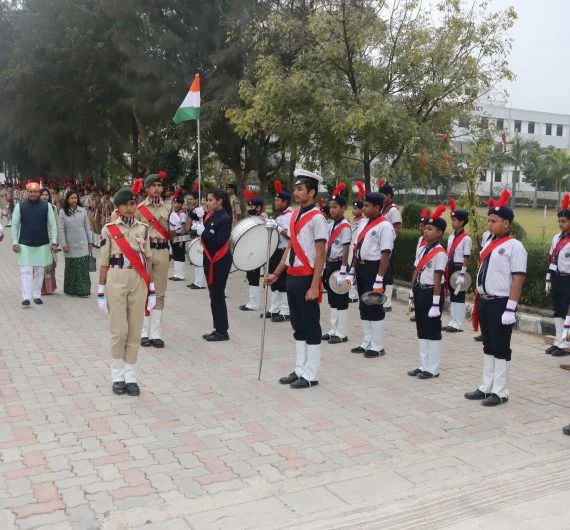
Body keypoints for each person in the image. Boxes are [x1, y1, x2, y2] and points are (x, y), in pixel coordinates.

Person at [265, 169, 328, 389]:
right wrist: (277, 273)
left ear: (312, 192)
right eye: (296, 189)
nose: (296, 193)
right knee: (297, 326)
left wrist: (315, 286)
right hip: (291, 276)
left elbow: (320, 254)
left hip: (307, 277)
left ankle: (311, 374)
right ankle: (300, 369)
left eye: (301, 189)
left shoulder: (318, 218)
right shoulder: (294, 215)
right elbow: (290, 248)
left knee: (311, 325)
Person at [465, 190, 527, 407]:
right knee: (488, 345)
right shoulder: (487, 240)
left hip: (501, 303)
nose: (489, 224)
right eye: (489, 220)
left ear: (506, 223)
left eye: (494, 221)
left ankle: (500, 391)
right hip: (484, 300)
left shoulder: (515, 246)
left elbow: (518, 279)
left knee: (501, 346)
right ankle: (486, 386)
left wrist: (511, 308)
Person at [98, 186, 154, 397]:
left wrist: (152, 288)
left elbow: (147, 259)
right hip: (116, 278)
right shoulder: (109, 229)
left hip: (138, 280)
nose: (129, 208)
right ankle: (117, 376)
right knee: (119, 331)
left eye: (132, 204)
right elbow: (104, 261)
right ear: (118, 208)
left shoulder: (143, 229)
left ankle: (130, 376)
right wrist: (101, 289)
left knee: (134, 330)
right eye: (124, 205)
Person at [348, 192, 394, 357]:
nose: (364, 208)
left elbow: (385, 253)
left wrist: (379, 279)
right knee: (364, 305)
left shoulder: (385, 226)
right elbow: (356, 248)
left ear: (377, 207)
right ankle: (367, 341)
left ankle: (377, 345)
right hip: (361, 267)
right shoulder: (363, 223)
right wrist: (352, 270)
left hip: (375, 269)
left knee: (374, 306)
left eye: (367, 206)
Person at [407, 205, 447, 379]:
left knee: (432, 330)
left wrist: (436, 304)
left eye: (430, 229)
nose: (426, 231)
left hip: (432, 293)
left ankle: (433, 368)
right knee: (421, 329)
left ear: (439, 233)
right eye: (426, 228)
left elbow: (438, 279)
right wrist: (412, 291)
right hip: (420, 291)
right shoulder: (423, 248)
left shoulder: (440, 253)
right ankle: (423, 365)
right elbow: (416, 271)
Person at [135, 171, 172, 348]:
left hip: (163, 250)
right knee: (144, 291)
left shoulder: (169, 208)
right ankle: (144, 332)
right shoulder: (139, 208)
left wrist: (176, 226)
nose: (157, 189)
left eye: (159, 185)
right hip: (145, 252)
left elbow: (173, 234)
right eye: (153, 186)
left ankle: (156, 333)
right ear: (147, 189)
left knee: (159, 292)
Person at [193, 190, 233, 341]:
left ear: (219, 201)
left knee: (218, 295)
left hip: (219, 260)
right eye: (207, 200)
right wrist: (195, 213)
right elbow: (195, 217)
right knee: (213, 295)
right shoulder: (211, 215)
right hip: (209, 259)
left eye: (210, 200)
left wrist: (204, 232)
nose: (208, 203)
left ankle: (222, 331)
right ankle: (218, 328)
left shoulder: (224, 218)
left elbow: (218, 241)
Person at [11, 182, 58, 306]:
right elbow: (15, 226)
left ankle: (36, 295)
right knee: (25, 271)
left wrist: (54, 241)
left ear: (39, 192)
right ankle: (26, 297)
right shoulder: (20, 206)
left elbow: (52, 225)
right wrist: (14, 242)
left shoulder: (47, 206)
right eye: (30, 192)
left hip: (42, 244)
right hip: (24, 244)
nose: (33, 194)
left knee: (39, 271)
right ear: (27, 192)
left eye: (35, 191)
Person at [321, 184, 352, 344]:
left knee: (341, 300)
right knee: (332, 299)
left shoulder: (345, 227)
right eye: (331, 207)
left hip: (340, 265)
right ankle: (333, 329)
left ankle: (342, 333)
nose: (332, 210)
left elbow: (346, 249)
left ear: (343, 208)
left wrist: (343, 271)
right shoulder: (331, 225)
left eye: (335, 207)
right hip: (330, 264)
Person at [261, 181, 293, 322]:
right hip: (276, 250)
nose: (275, 202)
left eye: (278, 200)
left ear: (285, 202)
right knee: (274, 280)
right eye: (275, 200)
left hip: (285, 250)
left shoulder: (290, 215)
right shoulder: (279, 215)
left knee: (283, 282)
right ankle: (274, 308)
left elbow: (290, 235)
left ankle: (286, 310)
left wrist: (278, 227)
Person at [545, 194, 570, 356]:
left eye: (564, 221)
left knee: (567, 311)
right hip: (556, 277)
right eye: (559, 221)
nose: (561, 224)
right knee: (557, 310)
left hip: (568, 278)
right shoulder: (556, 238)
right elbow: (551, 259)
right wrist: (548, 278)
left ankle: (566, 344)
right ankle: (558, 340)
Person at [444, 198, 472, 333]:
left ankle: (459, 324)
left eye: (455, 220)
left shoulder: (466, 238)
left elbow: (466, 257)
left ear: (461, 222)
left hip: (459, 268)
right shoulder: (451, 236)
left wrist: (462, 273)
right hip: (450, 266)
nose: (452, 222)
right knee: (452, 295)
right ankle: (452, 321)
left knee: (459, 296)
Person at [58, 189, 93, 297]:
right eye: (71, 198)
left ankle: (83, 290)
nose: (74, 200)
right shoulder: (62, 212)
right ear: (67, 200)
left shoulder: (82, 211)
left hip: (83, 244)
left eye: (75, 198)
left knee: (82, 269)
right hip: (69, 245)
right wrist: (64, 245)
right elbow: (61, 229)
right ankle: (70, 290)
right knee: (71, 268)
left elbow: (87, 227)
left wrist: (90, 242)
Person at [240, 195, 267, 312]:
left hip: (258, 250)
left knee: (254, 276)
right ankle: (252, 302)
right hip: (252, 249)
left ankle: (254, 303)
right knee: (251, 276)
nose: (249, 208)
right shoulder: (254, 217)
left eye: (252, 206)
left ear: (258, 207)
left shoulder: (262, 218)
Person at [378, 180, 401, 311]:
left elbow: (398, 229)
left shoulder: (393, 210)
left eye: (383, 195)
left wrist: (388, 235)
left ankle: (387, 302)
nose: (381, 197)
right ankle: (382, 299)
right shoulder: (383, 209)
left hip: (389, 244)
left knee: (387, 272)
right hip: (381, 244)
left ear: (389, 196)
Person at [186, 190, 207, 290]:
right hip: (195, 234)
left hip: (201, 235)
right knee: (195, 257)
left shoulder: (202, 208)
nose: (190, 201)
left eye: (191, 199)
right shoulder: (194, 209)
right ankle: (197, 281)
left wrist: (203, 214)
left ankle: (200, 283)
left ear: (197, 199)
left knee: (199, 258)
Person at [39, 188, 59, 295]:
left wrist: (56, 240)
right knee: (39, 263)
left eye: (46, 195)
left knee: (50, 263)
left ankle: (49, 288)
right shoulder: (35, 207)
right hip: (38, 239)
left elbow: (57, 224)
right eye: (42, 194)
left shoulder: (53, 207)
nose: (44, 196)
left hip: (50, 239)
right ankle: (40, 287)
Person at [169, 190, 188, 282]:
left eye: (177, 203)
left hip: (179, 235)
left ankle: (180, 275)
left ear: (180, 204)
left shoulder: (182, 214)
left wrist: (181, 239)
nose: (175, 204)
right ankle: (176, 274)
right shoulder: (173, 213)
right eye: (174, 203)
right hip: (173, 235)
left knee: (180, 255)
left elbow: (183, 226)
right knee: (175, 255)